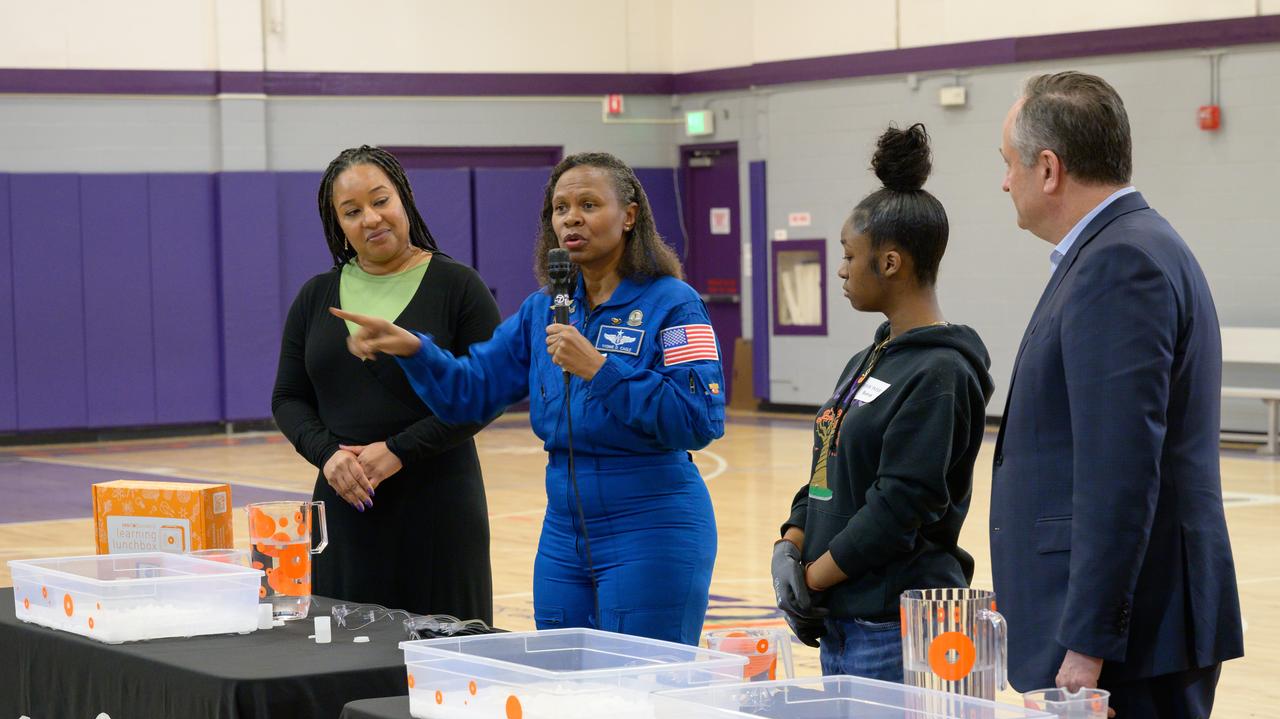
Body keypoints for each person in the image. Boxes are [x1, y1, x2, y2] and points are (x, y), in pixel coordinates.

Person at [330, 152, 724, 645]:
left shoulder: (673, 302)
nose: (571, 218)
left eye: (587, 204)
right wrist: (415, 349)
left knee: (641, 687)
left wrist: (601, 371)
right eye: (560, 208)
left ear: (629, 215)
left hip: (652, 524)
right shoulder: (544, 309)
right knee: (563, 683)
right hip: (564, 532)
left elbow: (698, 419)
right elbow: (470, 395)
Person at [991, 72, 1244, 719]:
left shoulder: (1120, 261)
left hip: (1123, 648)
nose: (1004, 182)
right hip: (1131, 633)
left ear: (1049, 168)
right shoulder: (1127, 247)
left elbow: (1119, 472)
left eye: (1007, 163)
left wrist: (1087, 644)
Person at [771, 124, 994, 682]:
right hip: (847, 618)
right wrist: (790, 544)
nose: (842, 270)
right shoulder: (871, 357)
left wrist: (813, 581)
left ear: (890, 263)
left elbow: (898, 509)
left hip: (897, 628)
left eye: (849, 256)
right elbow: (828, 465)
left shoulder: (940, 371)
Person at [271, 145, 501, 620]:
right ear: (337, 225)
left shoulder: (458, 286)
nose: (371, 219)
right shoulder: (315, 296)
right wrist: (328, 455)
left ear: (404, 200)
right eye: (352, 211)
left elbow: (485, 393)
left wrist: (398, 450)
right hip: (345, 505)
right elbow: (288, 397)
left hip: (439, 507)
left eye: (381, 201)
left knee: (442, 661)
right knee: (345, 663)